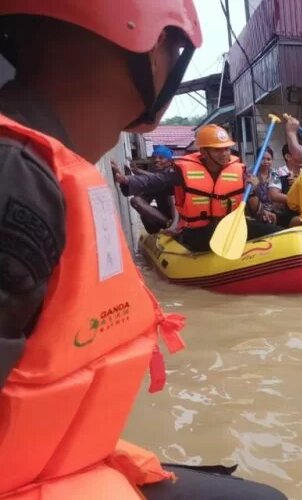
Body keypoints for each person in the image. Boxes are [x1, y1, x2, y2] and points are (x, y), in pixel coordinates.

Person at [0, 2, 285, 498]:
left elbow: (258, 197)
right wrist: (132, 182)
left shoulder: (44, 168)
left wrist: (264, 206)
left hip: (56, 458)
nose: (225, 155)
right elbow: (154, 180)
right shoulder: (18, 182)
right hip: (193, 238)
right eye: (173, 48)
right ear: (147, 45)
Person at [115, 124, 281, 252]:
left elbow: (252, 203)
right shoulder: (184, 173)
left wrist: (255, 189)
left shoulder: (239, 171)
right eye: (217, 150)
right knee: (220, 229)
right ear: (203, 152)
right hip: (196, 233)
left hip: (228, 227)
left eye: (226, 149)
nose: (224, 154)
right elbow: (155, 182)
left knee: (269, 230)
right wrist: (127, 180)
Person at [113, 145, 178, 234]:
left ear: (170, 162)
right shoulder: (154, 180)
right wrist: (123, 178)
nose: (156, 160)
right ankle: (166, 226)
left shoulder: (172, 175)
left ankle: (173, 225)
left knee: (171, 193)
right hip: (165, 219)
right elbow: (142, 199)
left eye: (161, 158)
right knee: (136, 201)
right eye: (154, 157)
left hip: (178, 218)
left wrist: (175, 224)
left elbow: (175, 203)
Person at [246, 146, 279, 224]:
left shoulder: (275, 173)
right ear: (257, 159)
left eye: (268, 159)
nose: (265, 162)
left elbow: (275, 195)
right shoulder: (250, 173)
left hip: (272, 209)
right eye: (262, 159)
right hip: (255, 210)